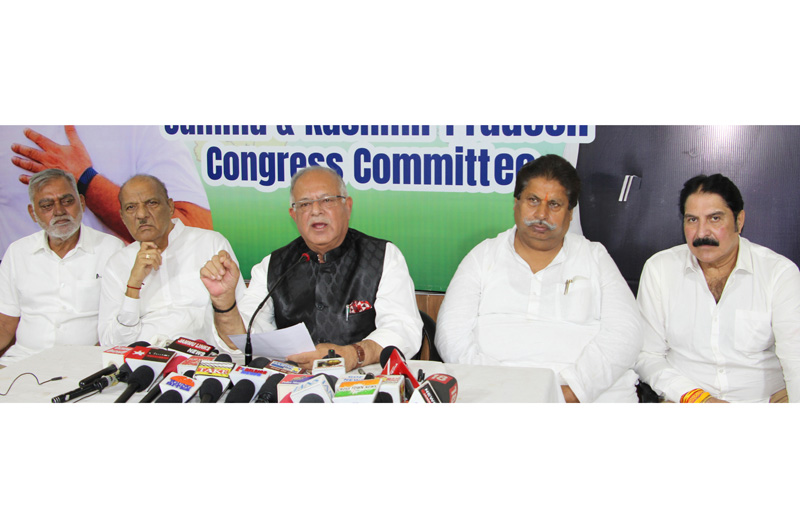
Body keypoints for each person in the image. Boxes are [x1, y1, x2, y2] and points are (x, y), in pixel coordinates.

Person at [435, 154, 643, 402]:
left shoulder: (594, 257)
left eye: (554, 204)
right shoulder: (483, 256)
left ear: (570, 213)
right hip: (494, 395)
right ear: (516, 203)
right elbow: (451, 335)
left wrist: (572, 391)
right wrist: (499, 388)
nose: (541, 214)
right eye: (533, 200)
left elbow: (626, 334)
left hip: (584, 397)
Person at [200, 166, 422, 371]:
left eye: (327, 200)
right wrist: (224, 303)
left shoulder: (383, 256)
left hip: (364, 382)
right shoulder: (273, 266)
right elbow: (243, 339)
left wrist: (353, 354)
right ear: (293, 215)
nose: (316, 210)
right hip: (292, 385)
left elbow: (403, 328)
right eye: (305, 204)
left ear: (348, 206)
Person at [635, 174, 800, 403]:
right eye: (692, 220)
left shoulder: (778, 273)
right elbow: (647, 355)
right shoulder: (660, 269)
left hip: (767, 400)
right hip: (688, 401)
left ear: (739, 221)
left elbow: (795, 358)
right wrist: (698, 399)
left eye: (714, 218)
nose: (702, 233)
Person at [1, 125, 211, 256]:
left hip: (123, 296)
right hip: (26, 304)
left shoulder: (143, 127)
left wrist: (86, 181)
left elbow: (196, 234)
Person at [98, 175, 244, 349]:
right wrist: (133, 286)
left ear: (170, 207)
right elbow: (111, 344)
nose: (142, 215)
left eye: (151, 203)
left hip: (203, 358)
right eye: (131, 207)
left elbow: (243, 324)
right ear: (122, 216)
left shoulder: (209, 243)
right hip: (141, 359)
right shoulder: (117, 263)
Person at [0, 169, 124, 365]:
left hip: (84, 364)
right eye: (47, 206)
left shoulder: (111, 249)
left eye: (67, 201)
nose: (59, 211)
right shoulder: (17, 252)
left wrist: (88, 361)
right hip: (22, 360)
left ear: (81, 203)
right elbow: (5, 323)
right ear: (33, 213)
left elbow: (119, 323)